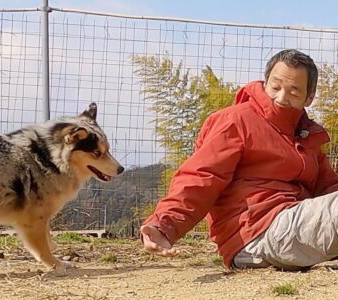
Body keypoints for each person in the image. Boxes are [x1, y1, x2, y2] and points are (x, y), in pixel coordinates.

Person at [141, 49, 338, 271]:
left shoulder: (306, 134)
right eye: (275, 87)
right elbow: (202, 176)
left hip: (294, 224)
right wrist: (164, 225)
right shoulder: (235, 120)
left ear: (309, 98)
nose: (281, 98)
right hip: (254, 233)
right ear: (265, 83)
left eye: (294, 91)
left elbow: (328, 186)